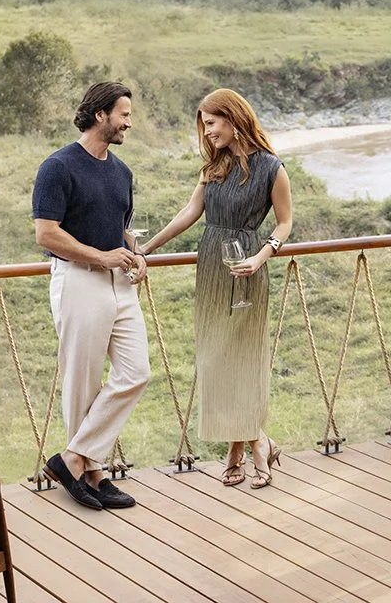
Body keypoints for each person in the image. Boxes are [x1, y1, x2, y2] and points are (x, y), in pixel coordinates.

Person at [139, 88, 293, 489]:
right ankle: (253, 441)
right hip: (211, 267)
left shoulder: (272, 168)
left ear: (233, 118)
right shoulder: (214, 168)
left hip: (248, 269)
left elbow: (284, 223)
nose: (207, 133)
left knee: (244, 359)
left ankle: (243, 448)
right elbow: (191, 213)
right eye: (204, 126)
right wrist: (148, 248)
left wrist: (262, 256)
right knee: (215, 360)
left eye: (211, 123)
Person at [31, 81, 150, 510]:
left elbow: (120, 227)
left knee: (136, 372)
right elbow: (46, 233)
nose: (128, 123)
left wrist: (135, 253)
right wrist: (101, 257)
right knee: (83, 381)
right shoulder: (58, 167)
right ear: (100, 114)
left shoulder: (122, 172)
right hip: (79, 280)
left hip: (119, 282)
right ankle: (94, 473)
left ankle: (72, 460)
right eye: (124, 115)